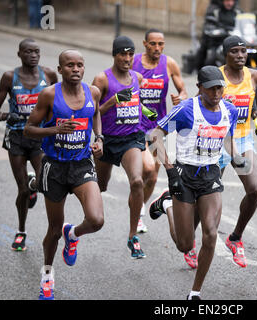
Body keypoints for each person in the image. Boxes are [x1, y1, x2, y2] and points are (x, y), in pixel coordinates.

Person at [149, 66, 248, 300]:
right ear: (200, 88)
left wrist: (238, 158)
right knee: (184, 245)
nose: (216, 92)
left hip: (211, 176)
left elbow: (226, 139)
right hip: (184, 175)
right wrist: (171, 172)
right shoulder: (186, 110)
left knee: (211, 234)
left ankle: (195, 292)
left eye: (220, 87)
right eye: (211, 88)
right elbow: (153, 137)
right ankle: (167, 205)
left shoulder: (229, 111)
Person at [24, 49, 104, 300]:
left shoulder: (93, 92)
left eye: (80, 65)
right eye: (69, 65)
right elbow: (29, 130)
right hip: (55, 167)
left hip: (82, 164)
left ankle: (74, 234)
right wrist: (55, 130)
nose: (76, 69)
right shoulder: (50, 95)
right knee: (54, 229)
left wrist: (99, 138)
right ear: (60, 70)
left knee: (96, 220)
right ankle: (47, 274)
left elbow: (97, 112)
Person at [0, 38, 58, 252]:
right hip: (17, 138)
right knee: (21, 192)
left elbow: (59, 103)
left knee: (43, 183)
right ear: (19, 54)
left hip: (39, 138)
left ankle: (34, 185)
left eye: (37, 52)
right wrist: (5, 116)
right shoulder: (10, 77)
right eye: (28, 52)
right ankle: (21, 232)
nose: (33, 55)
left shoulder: (49, 76)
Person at [92, 36, 154, 259]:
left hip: (131, 138)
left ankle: (132, 236)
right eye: (122, 54)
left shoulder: (137, 78)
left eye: (130, 54)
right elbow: (92, 112)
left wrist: (148, 114)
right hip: (108, 140)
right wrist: (113, 100)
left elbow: (137, 104)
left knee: (137, 180)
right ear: (114, 55)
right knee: (100, 186)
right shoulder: (102, 80)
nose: (127, 58)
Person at [132, 28, 188, 233]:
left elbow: (183, 90)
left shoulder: (169, 64)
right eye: (153, 43)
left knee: (153, 178)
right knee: (146, 169)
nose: (157, 48)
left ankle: (140, 211)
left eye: (161, 44)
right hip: (135, 124)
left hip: (159, 127)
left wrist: (180, 97)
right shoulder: (134, 63)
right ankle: (136, 213)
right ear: (145, 44)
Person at [218, 35, 257, 268]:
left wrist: (256, 115)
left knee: (255, 190)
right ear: (226, 54)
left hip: (243, 140)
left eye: (243, 51)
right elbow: (199, 105)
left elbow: (252, 99)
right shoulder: (216, 77)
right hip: (216, 142)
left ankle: (235, 238)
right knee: (205, 197)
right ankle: (191, 244)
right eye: (234, 51)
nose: (240, 55)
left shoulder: (253, 75)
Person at [195, 0, 242, 71]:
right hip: (217, 41)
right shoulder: (214, 10)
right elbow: (208, 23)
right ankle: (200, 70)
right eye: (227, 1)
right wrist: (212, 28)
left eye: (232, 1)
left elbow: (244, 23)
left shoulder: (238, 12)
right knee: (210, 58)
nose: (229, 3)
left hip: (233, 41)